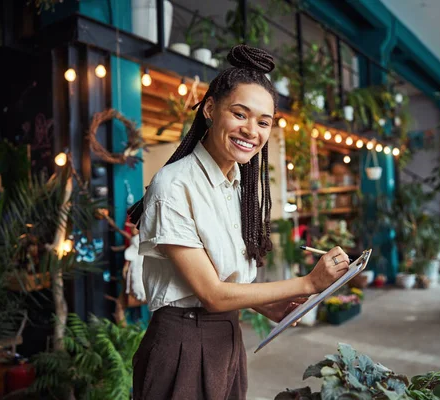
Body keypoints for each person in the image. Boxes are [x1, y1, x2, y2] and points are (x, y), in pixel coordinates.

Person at [128, 44, 350, 400]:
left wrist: (266, 304)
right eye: (240, 114)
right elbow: (212, 295)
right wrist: (308, 283)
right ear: (211, 109)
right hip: (183, 344)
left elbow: (222, 282)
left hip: (226, 341)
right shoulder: (174, 184)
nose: (252, 130)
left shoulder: (236, 187)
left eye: (264, 122)